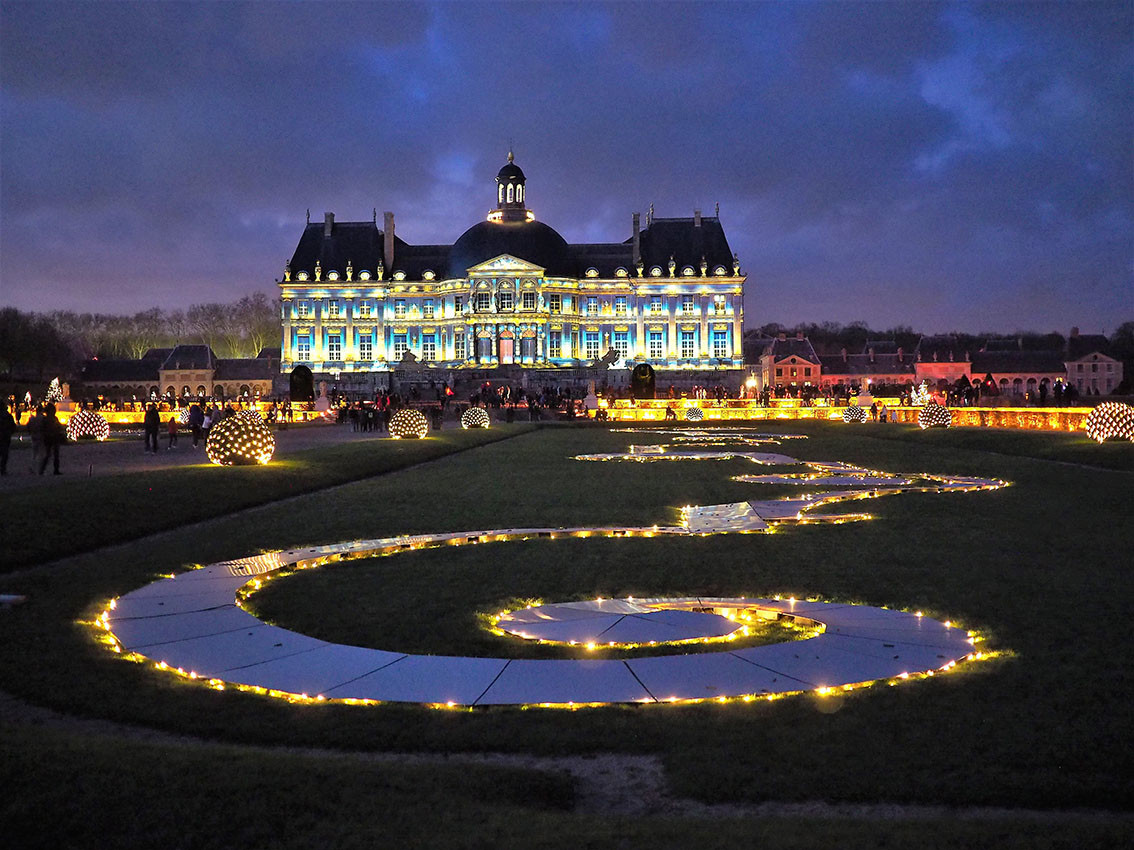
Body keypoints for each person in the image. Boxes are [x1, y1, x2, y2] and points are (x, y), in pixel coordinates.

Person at [38, 403, 64, 475]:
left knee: (53, 454)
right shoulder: (47, 419)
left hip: (52, 437)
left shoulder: (48, 419)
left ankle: (52, 469)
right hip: (50, 437)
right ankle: (43, 469)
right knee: (49, 454)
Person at [0, 399, 16, 475]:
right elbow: (13, 426)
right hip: (5, 436)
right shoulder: (8, 416)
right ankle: (2, 468)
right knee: (4, 454)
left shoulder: (7, 416)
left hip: (4, 435)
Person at [27, 404, 44, 472]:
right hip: (41, 436)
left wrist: (30, 433)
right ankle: (39, 468)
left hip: (34, 436)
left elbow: (28, 427)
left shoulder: (32, 419)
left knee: (34, 453)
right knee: (41, 454)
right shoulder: (42, 419)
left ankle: (32, 466)